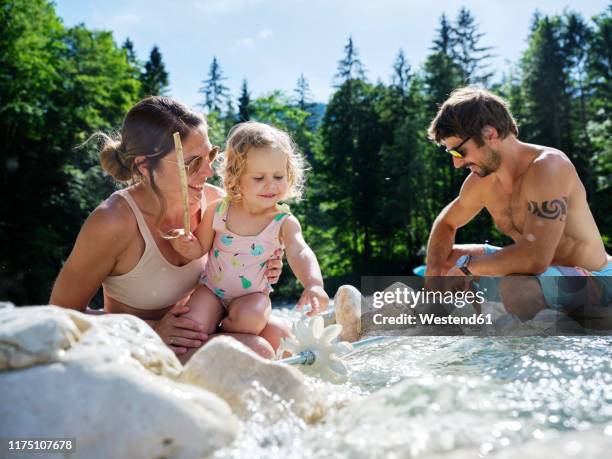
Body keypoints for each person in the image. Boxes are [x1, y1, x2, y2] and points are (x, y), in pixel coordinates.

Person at [49, 96, 288, 360]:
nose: (209, 170)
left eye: (210, 154)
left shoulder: (217, 203)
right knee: (258, 350)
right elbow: (59, 316)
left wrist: (264, 263)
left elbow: (239, 264)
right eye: (192, 162)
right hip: (137, 347)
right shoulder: (113, 222)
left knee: (278, 334)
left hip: (201, 329)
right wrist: (151, 331)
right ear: (145, 166)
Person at [425, 86, 612, 320]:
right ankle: (471, 339)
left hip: (598, 277)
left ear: (489, 134)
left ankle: (581, 330)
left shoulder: (548, 167)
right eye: (452, 154)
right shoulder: (482, 182)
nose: (457, 164)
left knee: (516, 288)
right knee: (445, 262)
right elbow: (446, 223)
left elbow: (535, 258)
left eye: (460, 152)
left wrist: (468, 266)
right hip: (541, 272)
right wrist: (433, 279)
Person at [169, 122, 328, 352]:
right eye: (259, 178)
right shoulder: (219, 210)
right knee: (191, 327)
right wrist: (184, 244)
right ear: (236, 177)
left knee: (250, 319)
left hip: (252, 297)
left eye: (278, 176)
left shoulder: (282, 221)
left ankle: (223, 338)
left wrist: (313, 284)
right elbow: (199, 248)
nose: (270, 185)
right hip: (211, 290)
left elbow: (300, 251)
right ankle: (209, 336)